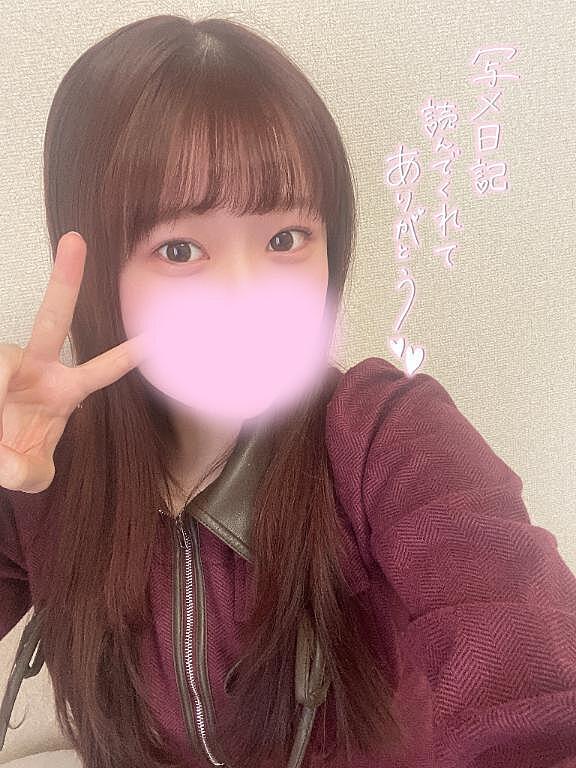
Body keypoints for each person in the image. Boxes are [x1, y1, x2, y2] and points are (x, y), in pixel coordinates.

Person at [2, 13, 576, 768]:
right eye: (181, 249)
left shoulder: (385, 439)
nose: (250, 297)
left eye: (285, 239)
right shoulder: (42, 462)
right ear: (99, 274)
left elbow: (529, 675)